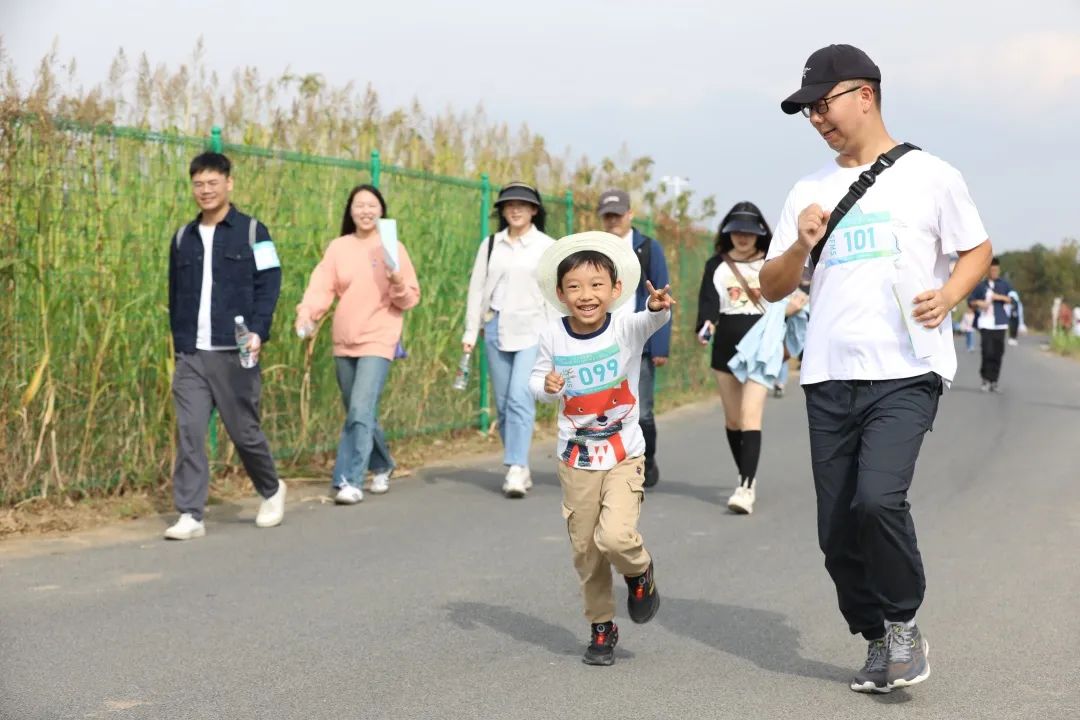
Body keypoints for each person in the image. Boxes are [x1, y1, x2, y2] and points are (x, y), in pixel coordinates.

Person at [762, 44, 992, 693]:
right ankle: (873, 637)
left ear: (865, 94)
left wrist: (949, 296)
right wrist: (800, 246)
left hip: (906, 369)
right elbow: (774, 285)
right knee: (836, 529)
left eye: (823, 104)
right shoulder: (808, 189)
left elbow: (976, 250)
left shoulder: (931, 176)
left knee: (877, 498)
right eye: (806, 111)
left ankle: (903, 624)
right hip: (829, 372)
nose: (816, 119)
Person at [529, 231, 673, 666]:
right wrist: (548, 386)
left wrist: (656, 307)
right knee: (587, 551)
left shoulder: (626, 327)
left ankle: (639, 571)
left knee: (614, 537)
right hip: (576, 457)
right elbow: (538, 381)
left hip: (624, 451)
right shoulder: (553, 336)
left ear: (614, 291)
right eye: (574, 287)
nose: (585, 295)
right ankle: (601, 626)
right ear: (560, 293)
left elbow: (654, 320)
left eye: (596, 286)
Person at [165, 152, 286, 540]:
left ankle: (271, 489)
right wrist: (180, 343)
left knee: (244, 431)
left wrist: (259, 331)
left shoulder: (254, 232)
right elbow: (175, 290)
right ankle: (190, 513)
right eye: (198, 184)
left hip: (236, 351)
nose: (205, 190)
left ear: (229, 184)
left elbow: (270, 284)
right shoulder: (183, 237)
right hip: (192, 354)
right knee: (190, 430)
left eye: (212, 183)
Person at [296, 184, 420, 504]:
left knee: (361, 409)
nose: (365, 211)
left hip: (380, 338)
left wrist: (396, 280)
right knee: (358, 411)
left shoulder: (392, 247)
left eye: (372, 205)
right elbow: (321, 286)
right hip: (344, 340)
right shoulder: (339, 248)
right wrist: (307, 314)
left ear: (381, 211)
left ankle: (349, 479)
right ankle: (382, 464)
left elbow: (409, 298)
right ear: (350, 211)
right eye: (359, 205)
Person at [695, 202, 807, 514]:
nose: (742, 238)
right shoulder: (715, 265)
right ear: (727, 234)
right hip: (726, 348)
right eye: (736, 232)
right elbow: (707, 306)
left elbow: (788, 297)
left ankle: (745, 486)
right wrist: (704, 327)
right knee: (732, 420)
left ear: (760, 235)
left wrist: (792, 309)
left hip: (761, 349)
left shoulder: (773, 264)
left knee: (749, 417)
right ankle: (745, 475)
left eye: (749, 232)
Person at [462, 182, 556, 498]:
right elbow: (477, 289)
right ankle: (521, 464)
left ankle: (515, 466)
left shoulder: (547, 246)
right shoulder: (491, 245)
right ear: (502, 211)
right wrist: (470, 332)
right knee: (503, 404)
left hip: (533, 329)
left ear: (534, 210)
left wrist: (559, 337)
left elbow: (556, 294)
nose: (515, 209)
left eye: (522, 204)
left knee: (519, 395)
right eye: (509, 205)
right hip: (495, 327)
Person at [597, 190, 672, 488]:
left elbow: (661, 296)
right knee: (604, 408)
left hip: (638, 339)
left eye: (618, 214)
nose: (613, 220)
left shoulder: (647, 248)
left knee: (642, 410)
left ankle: (646, 458)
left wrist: (660, 344)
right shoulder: (595, 248)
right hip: (603, 339)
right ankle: (613, 465)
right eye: (608, 215)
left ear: (630, 215)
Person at [969, 258, 1013, 392]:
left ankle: (994, 380)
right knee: (987, 351)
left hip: (1000, 323)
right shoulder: (980, 286)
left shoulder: (1005, 285)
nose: (994, 272)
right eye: (992, 269)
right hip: (985, 323)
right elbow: (970, 301)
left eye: (996, 269)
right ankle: (985, 378)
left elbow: (1013, 299)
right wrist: (979, 303)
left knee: (998, 353)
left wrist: (999, 297)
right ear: (987, 270)